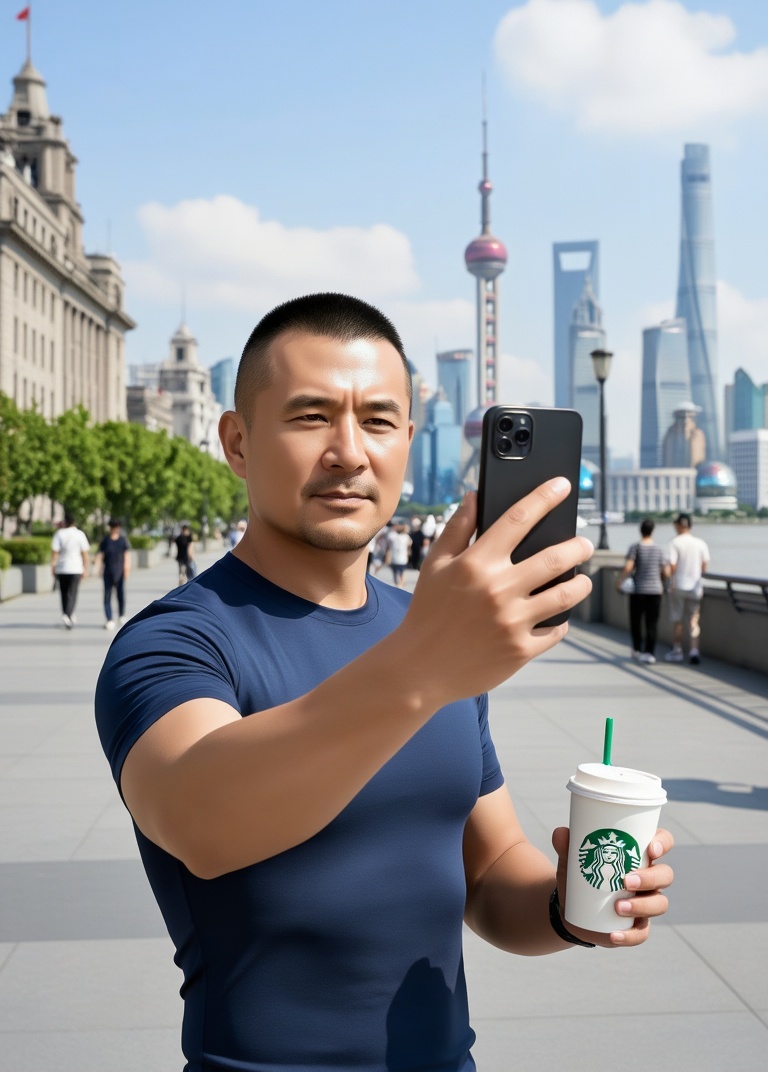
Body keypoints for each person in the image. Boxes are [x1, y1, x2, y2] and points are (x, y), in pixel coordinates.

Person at [95, 293, 674, 1072]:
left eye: (376, 420)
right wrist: (428, 662)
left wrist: (574, 903)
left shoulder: (433, 637)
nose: (348, 451)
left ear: (407, 440)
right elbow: (202, 819)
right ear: (236, 441)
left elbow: (490, 872)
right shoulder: (177, 643)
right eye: (309, 417)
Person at [615, 518, 669, 664]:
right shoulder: (660, 549)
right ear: (653, 531)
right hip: (655, 591)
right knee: (652, 623)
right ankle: (650, 653)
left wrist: (620, 581)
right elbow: (666, 571)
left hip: (638, 590)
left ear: (641, 530)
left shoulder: (636, 547)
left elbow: (628, 567)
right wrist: (662, 582)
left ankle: (637, 649)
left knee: (636, 621)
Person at [665, 512, 710, 665]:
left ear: (678, 525)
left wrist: (670, 581)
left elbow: (672, 565)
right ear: (690, 526)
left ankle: (677, 650)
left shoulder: (674, 542)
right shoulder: (700, 543)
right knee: (693, 620)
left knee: (677, 619)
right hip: (696, 587)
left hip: (678, 586)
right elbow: (705, 566)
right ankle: (694, 650)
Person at [51, 512, 90, 629]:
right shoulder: (80, 534)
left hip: (61, 568)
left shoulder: (59, 534)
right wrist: (85, 568)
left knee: (63, 592)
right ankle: (68, 614)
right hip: (75, 568)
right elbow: (85, 554)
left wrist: (53, 566)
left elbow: (54, 553)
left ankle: (66, 614)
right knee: (73, 592)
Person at [96, 518, 132, 631]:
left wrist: (127, 568)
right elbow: (100, 554)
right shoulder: (105, 540)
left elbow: (127, 555)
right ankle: (109, 619)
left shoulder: (122, 540)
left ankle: (121, 614)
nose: (115, 529)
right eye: (113, 527)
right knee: (107, 596)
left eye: (117, 526)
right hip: (108, 571)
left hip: (120, 571)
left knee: (120, 594)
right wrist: (97, 568)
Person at [387, 520, 411, 587]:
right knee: (397, 572)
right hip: (396, 557)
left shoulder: (405, 537)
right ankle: (399, 583)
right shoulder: (394, 536)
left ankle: (401, 583)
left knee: (401, 571)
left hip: (400, 558)